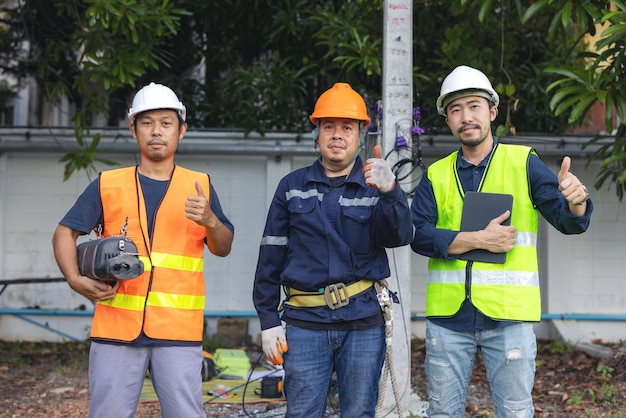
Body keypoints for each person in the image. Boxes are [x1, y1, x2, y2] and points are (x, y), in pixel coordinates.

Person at [410, 65, 593, 418]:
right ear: (448, 120)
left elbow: (568, 221)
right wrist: (477, 239)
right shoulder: (436, 174)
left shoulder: (524, 163)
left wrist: (577, 199)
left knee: (515, 412)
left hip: (508, 320)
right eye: (455, 109)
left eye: (474, 106)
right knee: (441, 413)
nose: (466, 116)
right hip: (449, 321)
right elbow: (417, 234)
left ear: (492, 112)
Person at [52, 82, 234, 418]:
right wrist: (74, 279)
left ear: (182, 130)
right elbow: (64, 232)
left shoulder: (200, 185)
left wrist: (210, 220)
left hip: (178, 331)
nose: (157, 131)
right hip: (116, 328)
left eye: (166, 123)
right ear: (133, 127)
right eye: (147, 122)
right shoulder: (108, 184)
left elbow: (223, 247)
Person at [252, 82, 413, 417]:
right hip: (305, 323)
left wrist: (391, 191)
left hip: (362, 322)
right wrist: (268, 320)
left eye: (346, 127)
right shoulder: (292, 187)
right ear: (317, 134)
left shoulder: (375, 186)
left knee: (358, 412)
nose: (337, 135)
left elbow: (399, 235)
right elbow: (270, 255)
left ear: (360, 136)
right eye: (329, 126)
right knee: (302, 413)